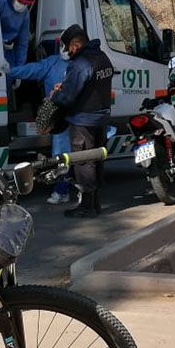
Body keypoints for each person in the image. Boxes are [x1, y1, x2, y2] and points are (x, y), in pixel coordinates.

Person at [50, 24, 115, 218]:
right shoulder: (102, 57)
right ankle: (95, 204)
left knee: (84, 162)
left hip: (83, 120)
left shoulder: (81, 63)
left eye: (68, 47)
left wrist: (55, 95)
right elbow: (92, 84)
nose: (67, 52)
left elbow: (68, 97)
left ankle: (87, 207)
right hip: (102, 117)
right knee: (96, 159)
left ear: (76, 44)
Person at [8, 40, 75, 204]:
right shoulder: (73, 63)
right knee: (64, 152)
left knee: (61, 152)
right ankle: (66, 189)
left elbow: (32, 70)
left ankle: (64, 190)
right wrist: (11, 71)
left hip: (60, 113)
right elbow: (31, 70)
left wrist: (9, 71)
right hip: (66, 113)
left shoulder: (55, 63)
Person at [0, 0, 35, 70]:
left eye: (26, 3)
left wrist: (19, 69)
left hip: (8, 52)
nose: (22, 5)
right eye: (20, 1)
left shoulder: (24, 14)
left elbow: (22, 43)